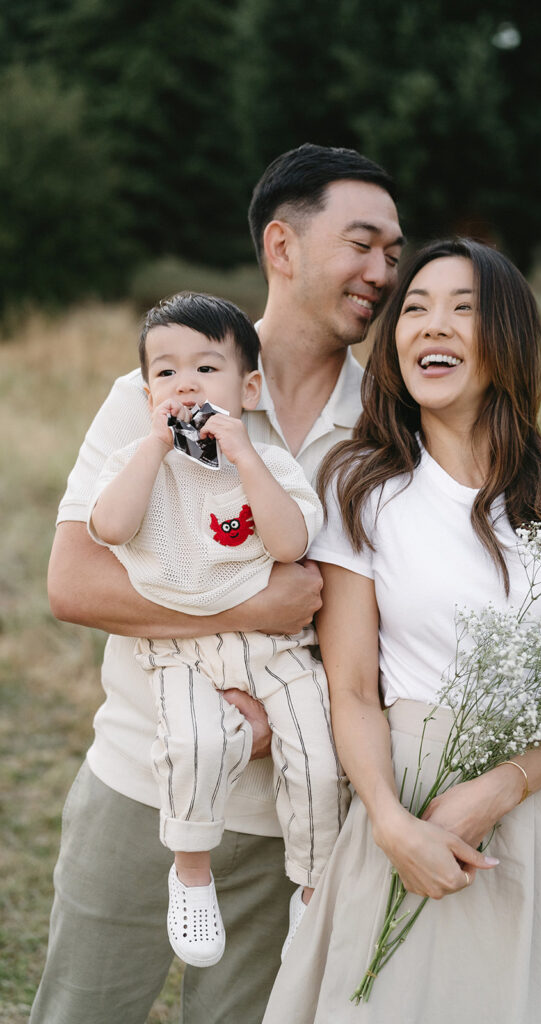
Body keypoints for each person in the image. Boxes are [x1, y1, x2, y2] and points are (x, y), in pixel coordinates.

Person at [32, 144, 403, 1024]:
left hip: (294, 814)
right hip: (142, 777)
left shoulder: (387, 428)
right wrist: (255, 607)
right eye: (362, 244)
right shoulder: (158, 391)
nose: (382, 271)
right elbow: (75, 583)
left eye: (394, 252)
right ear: (282, 246)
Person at [263, 238, 541, 1024]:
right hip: (412, 803)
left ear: (507, 338)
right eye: (414, 309)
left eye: (462, 310)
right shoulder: (362, 490)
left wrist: (504, 786)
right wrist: (389, 821)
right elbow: (351, 688)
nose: (431, 327)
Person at [88, 291, 350, 969]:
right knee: (193, 742)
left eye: (206, 369)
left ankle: (314, 887)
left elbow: (290, 542)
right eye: (166, 372)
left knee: (319, 758)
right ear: (147, 391)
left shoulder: (267, 462)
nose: (185, 385)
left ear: (247, 387)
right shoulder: (137, 464)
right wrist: (152, 446)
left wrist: (244, 456)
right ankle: (192, 872)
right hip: (181, 648)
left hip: (275, 647)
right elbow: (111, 527)